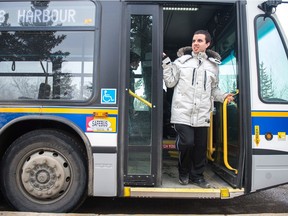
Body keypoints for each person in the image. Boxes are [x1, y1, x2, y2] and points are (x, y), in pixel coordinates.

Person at [162, 30, 234, 188]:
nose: (195, 43)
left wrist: (223, 96)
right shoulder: (181, 61)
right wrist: (166, 62)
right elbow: (170, 82)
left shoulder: (213, 67)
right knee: (188, 142)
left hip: (202, 114)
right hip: (182, 112)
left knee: (200, 148)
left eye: (200, 41)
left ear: (207, 44)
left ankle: (197, 176)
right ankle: (183, 171)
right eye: (194, 40)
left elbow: (213, 90)